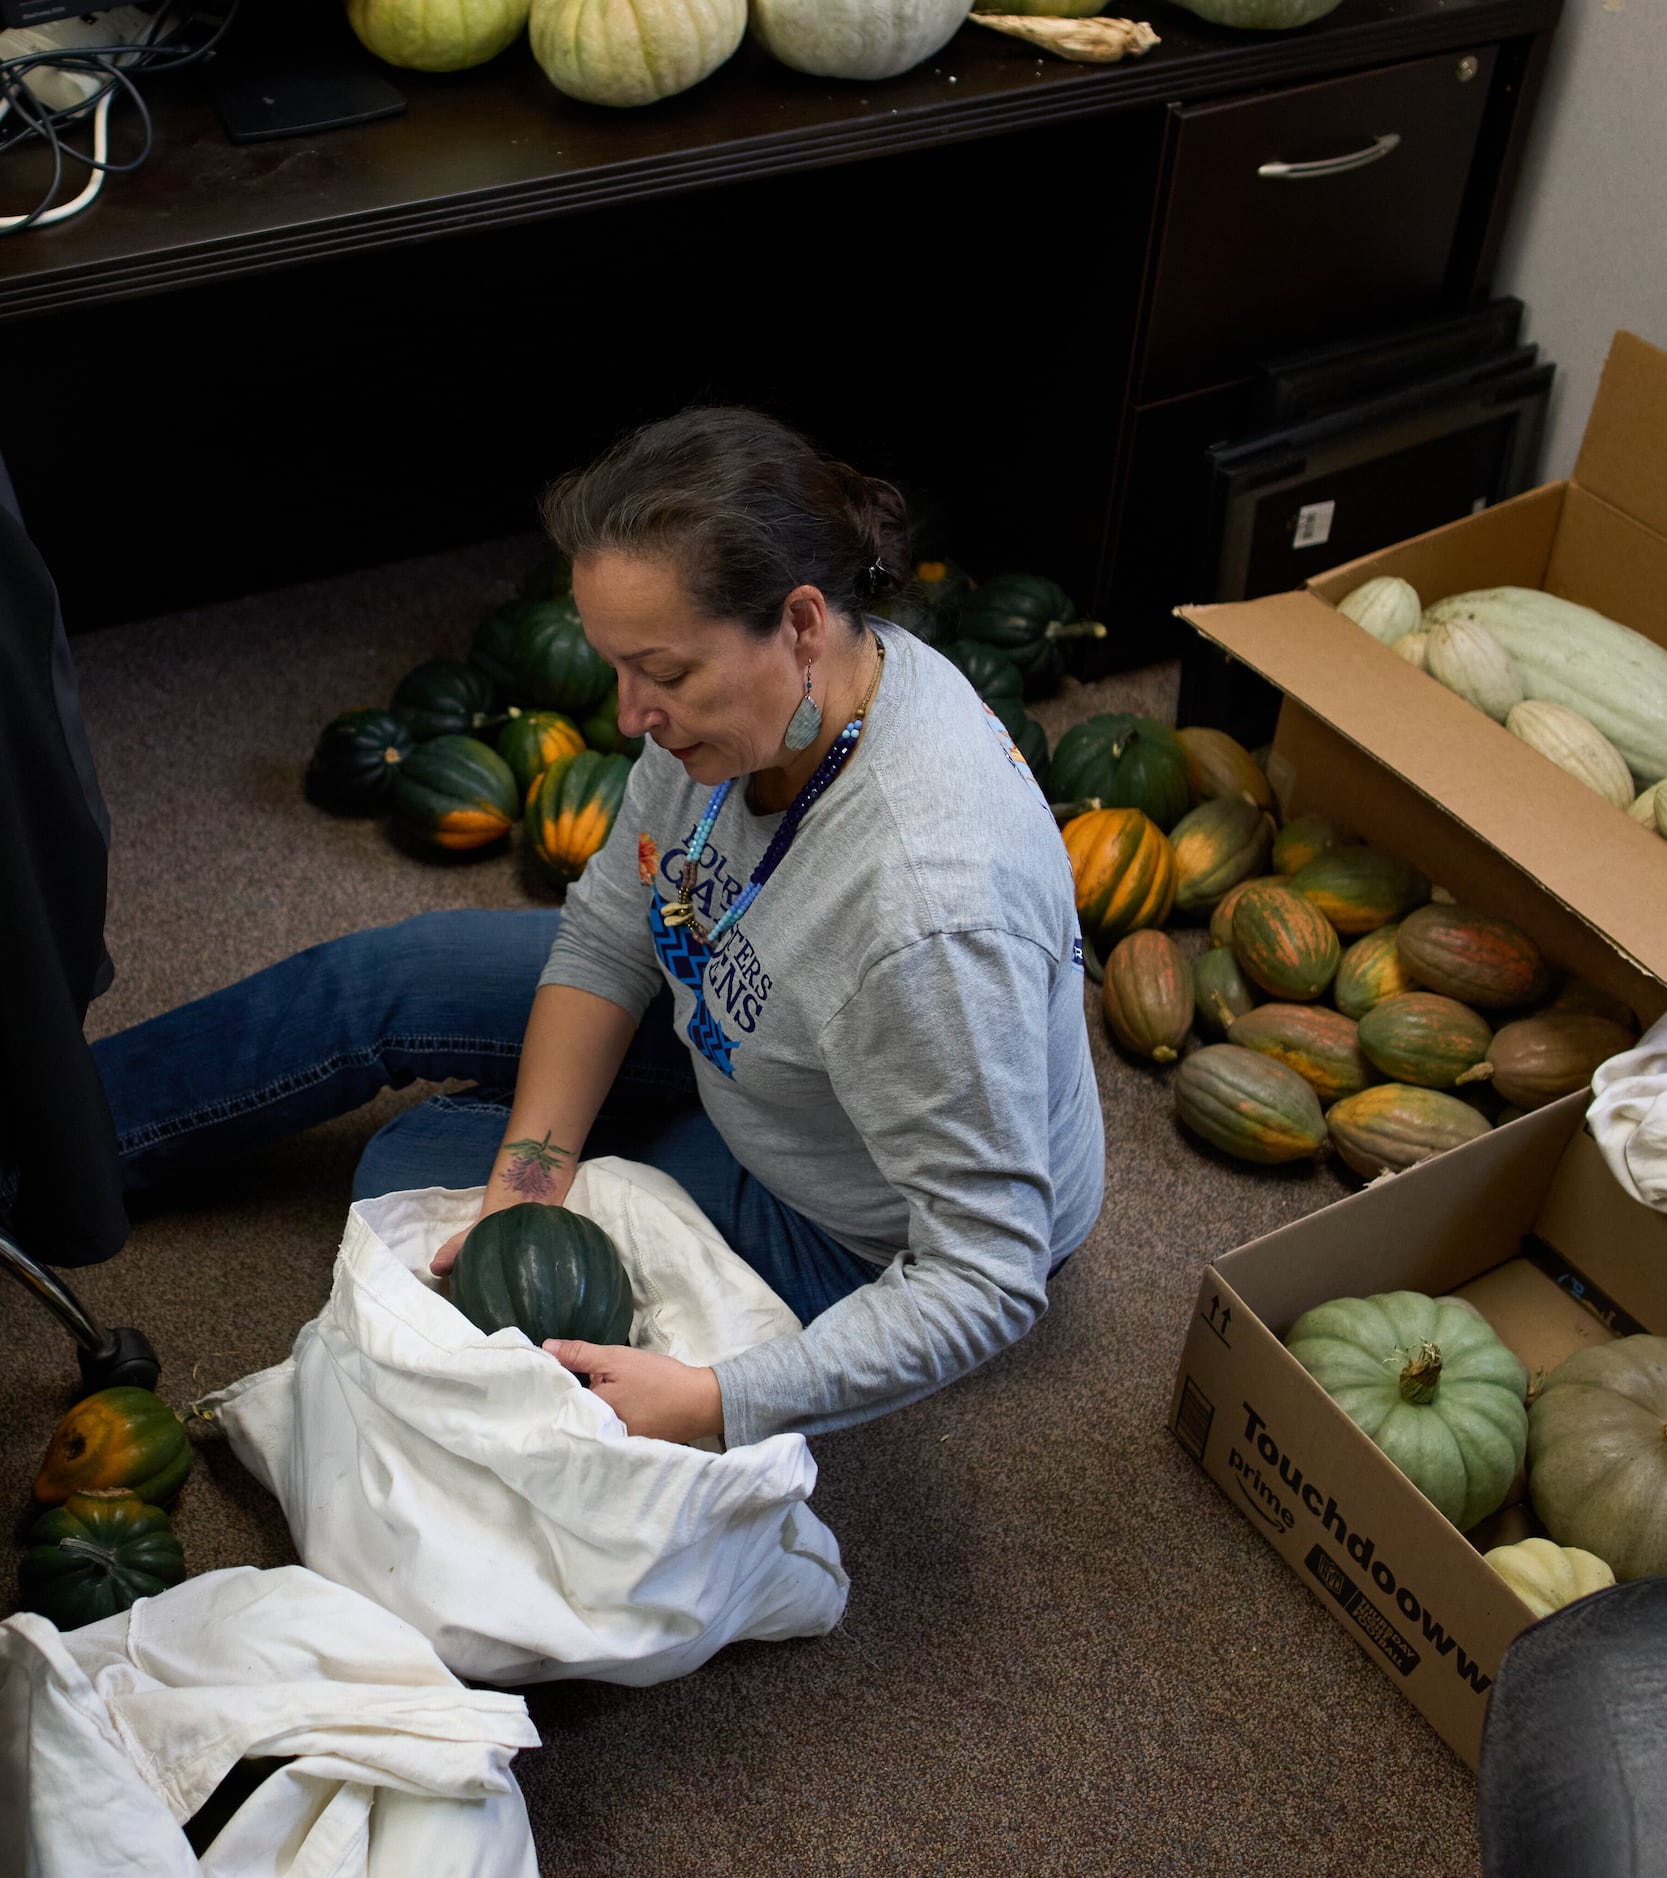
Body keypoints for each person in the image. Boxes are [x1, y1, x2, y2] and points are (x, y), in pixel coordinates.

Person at [93, 408, 1104, 1448]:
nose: (628, 717)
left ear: (801, 624)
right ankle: (29, 1147)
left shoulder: (928, 921)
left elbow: (989, 1268)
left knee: (409, 1166)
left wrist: (720, 1402)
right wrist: (528, 1173)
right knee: (380, 982)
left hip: (850, 1223)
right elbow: (614, 933)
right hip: (763, 1024)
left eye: (661, 674)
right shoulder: (761, 706)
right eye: (616, 666)